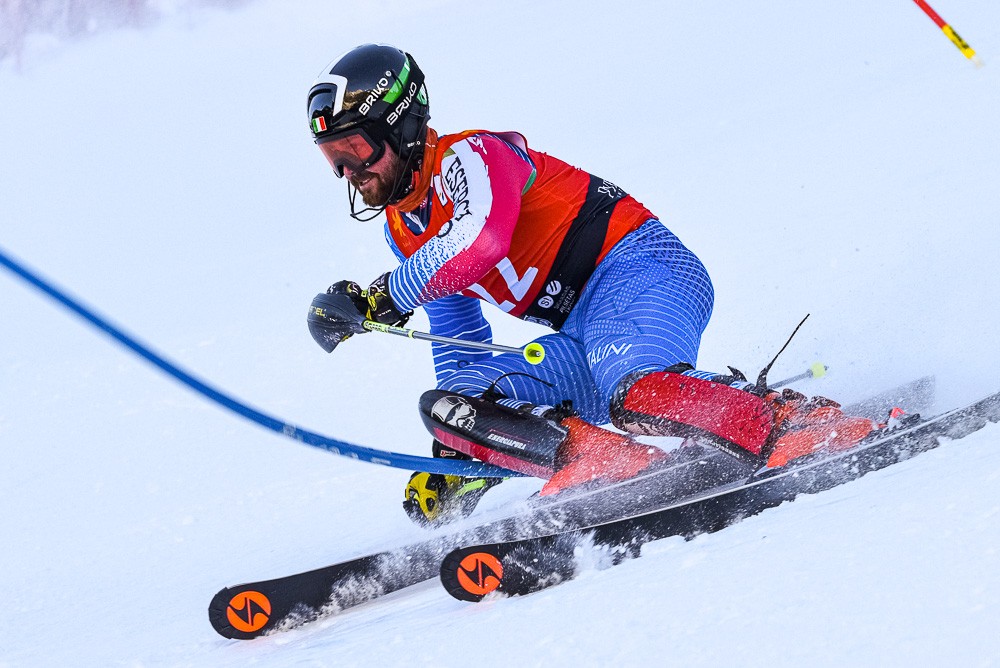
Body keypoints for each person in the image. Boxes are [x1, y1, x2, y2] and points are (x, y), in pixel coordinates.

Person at [305, 44, 878, 526]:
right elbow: (459, 342)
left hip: (641, 270)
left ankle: (794, 422)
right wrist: (468, 447)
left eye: (356, 149)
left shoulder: (472, 156)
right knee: (452, 407)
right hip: (583, 330)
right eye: (335, 160)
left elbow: (482, 240)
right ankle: (605, 463)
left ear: (402, 124)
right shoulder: (403, 229)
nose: (351, 173)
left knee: (636, 390)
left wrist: (383, 296)